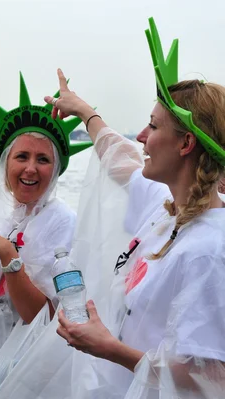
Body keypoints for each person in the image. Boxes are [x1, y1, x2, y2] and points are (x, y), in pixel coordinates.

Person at [50, 18, 225, 398]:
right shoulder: (166, 213)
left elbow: (208, 374)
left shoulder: (208, 249)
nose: (140, 137)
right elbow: (119, 157)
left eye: (152, 126)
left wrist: (108, 347)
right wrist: (83, 111)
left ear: (185, 145)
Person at [0, 72, 92, 398]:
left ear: (56, 170)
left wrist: (7, 255)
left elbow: (50, 319)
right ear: (5, 162)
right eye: (21, 156)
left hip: (36, 380)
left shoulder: (64, 224)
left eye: (43, 159)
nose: (30, 169)